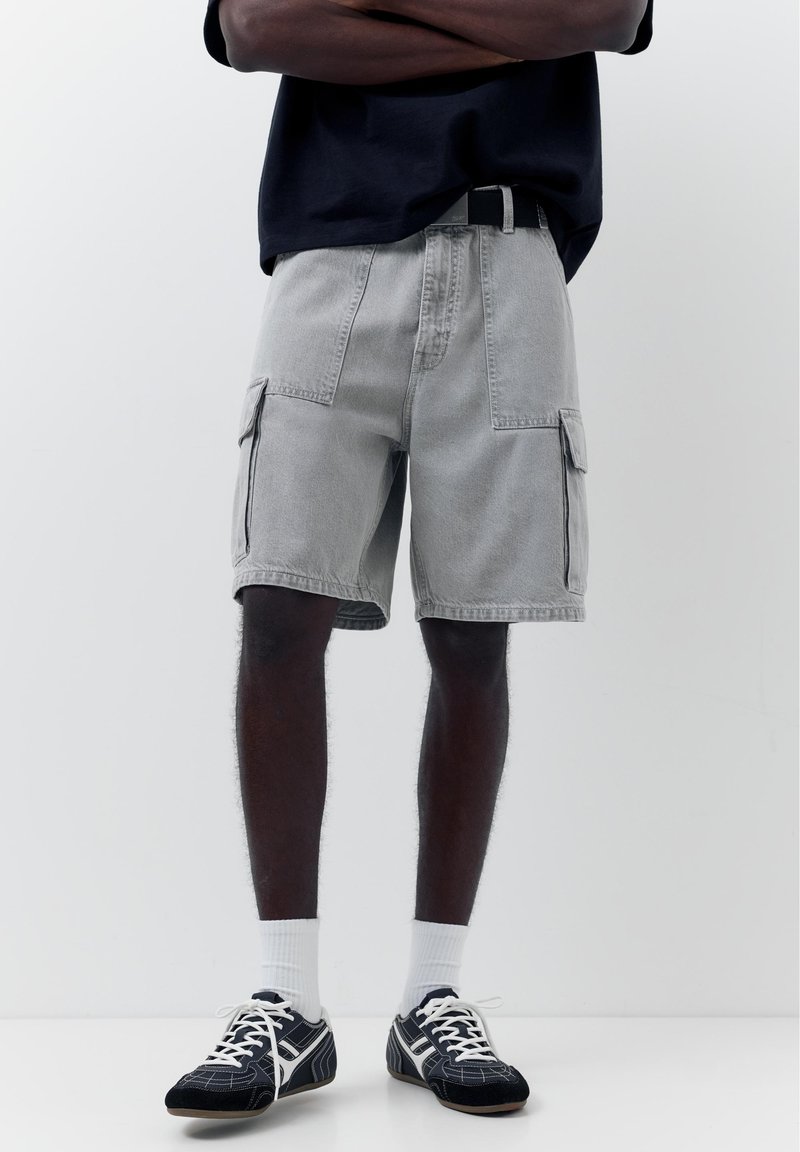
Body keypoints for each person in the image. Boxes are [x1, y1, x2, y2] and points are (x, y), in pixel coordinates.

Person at [164, 0, 654, 1121]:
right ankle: (286, 1001)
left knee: (472, 635)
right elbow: (253, 25)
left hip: (508, 254)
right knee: (277, 604)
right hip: (328, 254)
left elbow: (603, 11)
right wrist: (510, 31)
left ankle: (432, 994)